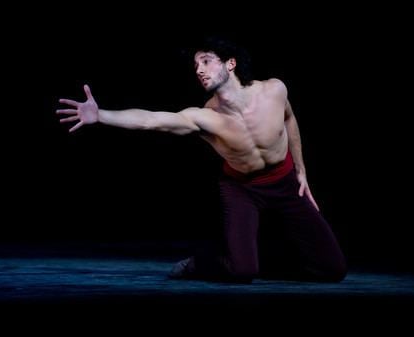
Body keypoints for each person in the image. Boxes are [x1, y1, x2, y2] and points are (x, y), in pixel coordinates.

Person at [56, 37, 346, 283]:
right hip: (241, 187)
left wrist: (301, 169)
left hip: (284, 181)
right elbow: (151, 120)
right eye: (196, 66)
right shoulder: (205, 117)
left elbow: (290, 119)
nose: (199, 70)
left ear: (230, 63)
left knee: (333, 269)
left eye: (206, 61)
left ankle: (253, 258)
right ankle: (204, 263)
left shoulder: (274, 90)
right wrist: (101, 115)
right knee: (243, 272)